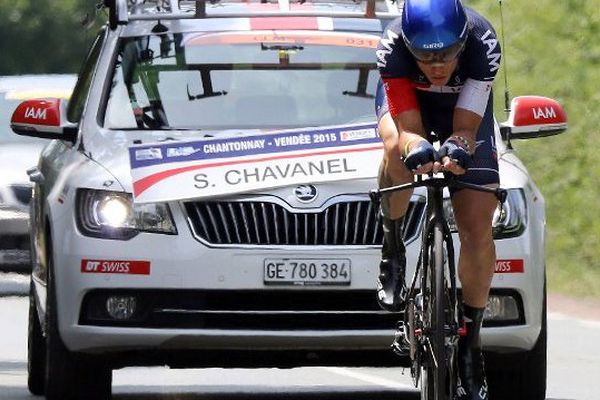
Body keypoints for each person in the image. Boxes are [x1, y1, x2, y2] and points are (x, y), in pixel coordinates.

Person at [374, 0, 501, 399]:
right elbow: (409, 127)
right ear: (408, 45)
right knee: (396, 148)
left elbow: (465, 126)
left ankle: (471, 343)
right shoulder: (392, 45)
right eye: (424, 55)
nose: (437, 64)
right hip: (411, 108)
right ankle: (392, 246)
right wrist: (414, 144)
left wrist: (460, 143)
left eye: (447, 53)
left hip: (462, 110)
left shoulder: (483, 43)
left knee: (478, 222)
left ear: (462, 40)